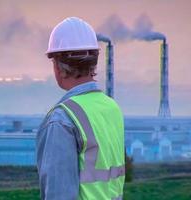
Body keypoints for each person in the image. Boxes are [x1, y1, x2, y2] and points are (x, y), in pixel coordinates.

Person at [36, 17, 125, 200]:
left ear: (59, 67)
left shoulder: (62, 120)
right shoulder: (111, 108)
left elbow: (59, 195)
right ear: (93, 62)